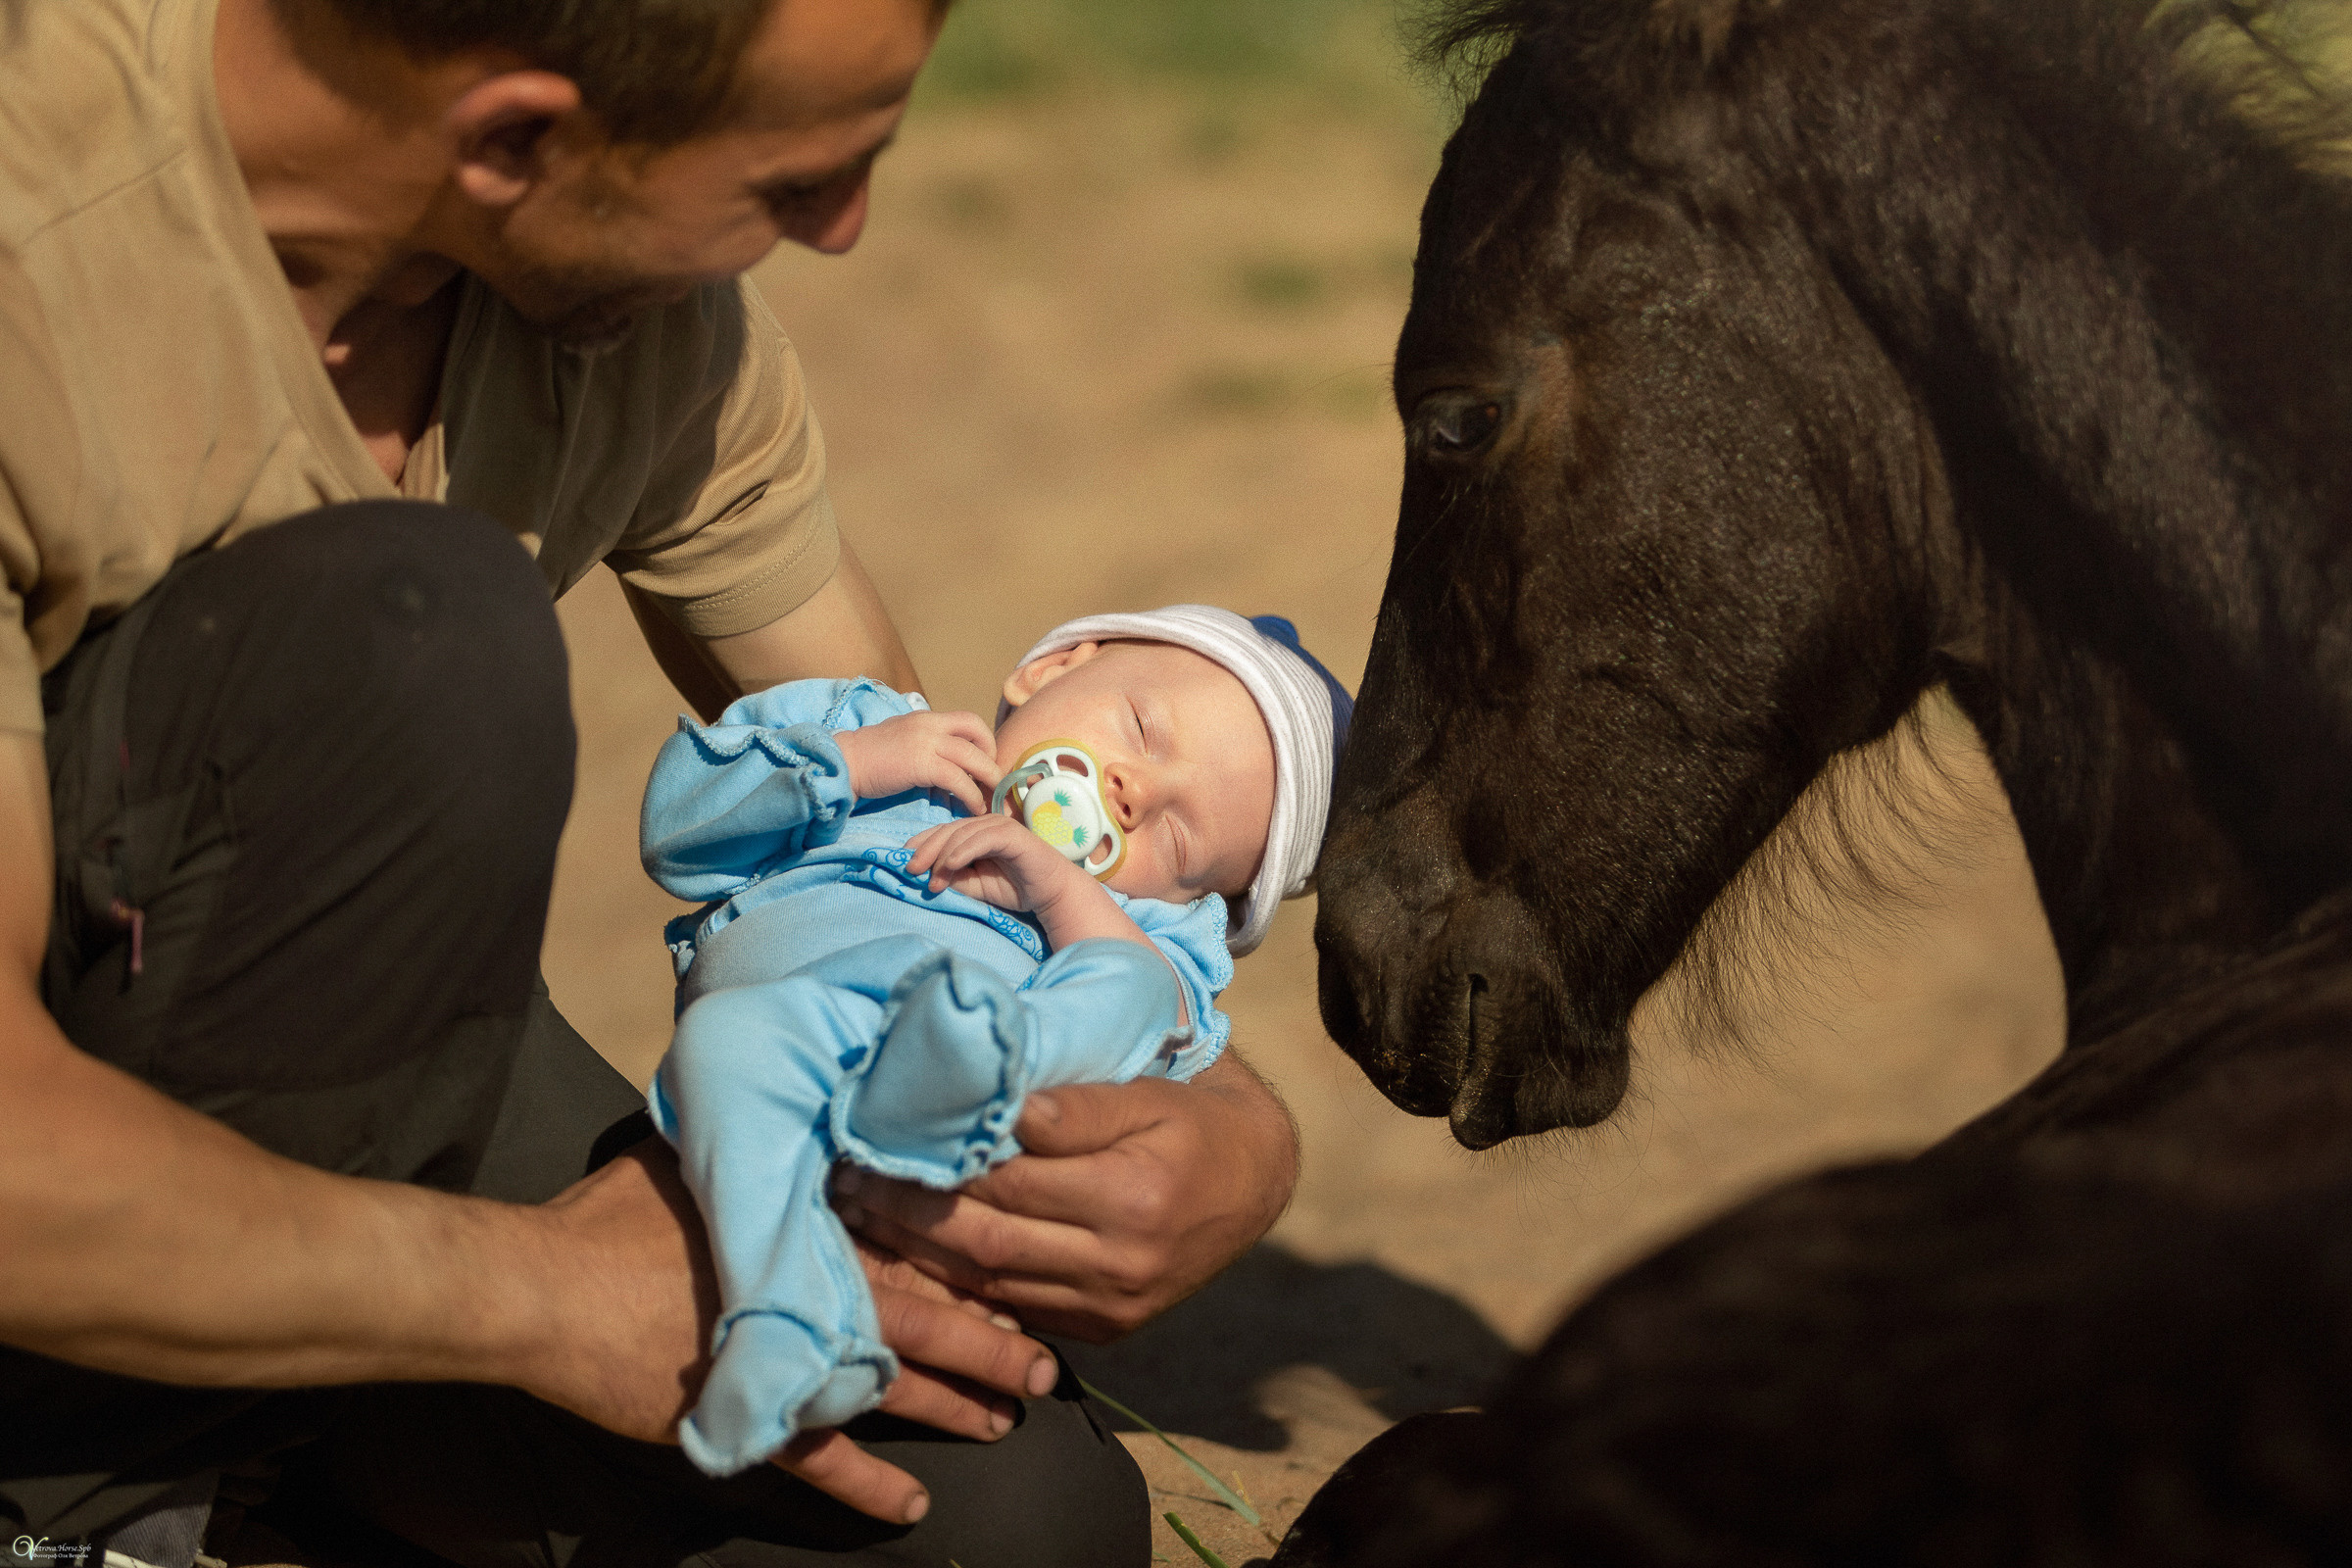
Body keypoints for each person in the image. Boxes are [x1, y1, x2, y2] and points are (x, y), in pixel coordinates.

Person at [0, 1, 1301, 1564]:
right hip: (52, 1140)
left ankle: (286, 1463)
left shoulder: (641, 314)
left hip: (330, 1069)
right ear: (517, 139)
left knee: (1003, 1532)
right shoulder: (37, 252)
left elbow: (924, 816)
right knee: (424, 639)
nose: (839, 231)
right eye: (795, 178)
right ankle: (87, 1505)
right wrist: (537, 1295)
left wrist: (1224, 1120)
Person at [641, 608, 1352, 1477]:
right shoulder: (863, 727)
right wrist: (858, 765)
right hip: (796, 1033)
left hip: (979, 1076)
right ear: (1048, 671)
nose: (1139, 792)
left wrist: (1058, 892)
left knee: (1128, 988)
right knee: (720, 1041)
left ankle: (965, 1063)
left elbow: (1167, 1028)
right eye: (1141, 728)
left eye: (1179, 838)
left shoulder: (1133, 926)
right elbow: (675, 829)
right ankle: (784, 1327)